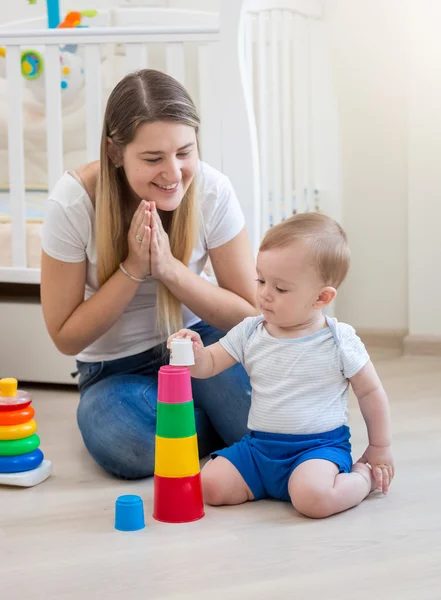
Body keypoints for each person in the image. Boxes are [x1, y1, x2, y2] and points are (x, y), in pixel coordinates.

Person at [40, 69, 259, 479]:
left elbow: (249, 315)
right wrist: (133, 270)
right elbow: (65, 336)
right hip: (114, 370)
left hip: (201, 346)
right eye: (153, 158)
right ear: (114, 152)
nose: (174, 173)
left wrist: (170, 270)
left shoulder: (212, 190)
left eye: (184, 152)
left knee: (265, 412)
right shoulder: (72, 204)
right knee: (124, 441)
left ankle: (187, 426)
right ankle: (209, 425)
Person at [168, 212, 395, 519]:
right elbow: (209, 365)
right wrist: (195, 352)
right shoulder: (250, 331)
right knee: (210, 484)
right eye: (260, 280)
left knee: (313, 498)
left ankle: (362, 480)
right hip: (260, 448)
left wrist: (379, 447)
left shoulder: (339, 340)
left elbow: (370, 393)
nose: (264, 294)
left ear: (321, 297)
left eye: (280, 288)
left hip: (318, 449)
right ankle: (268, 484)